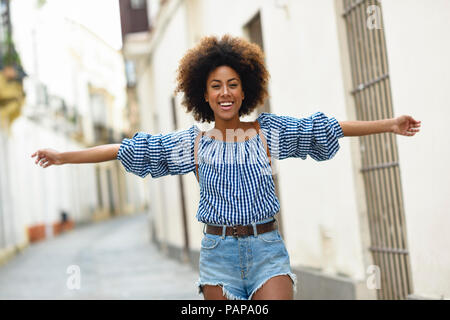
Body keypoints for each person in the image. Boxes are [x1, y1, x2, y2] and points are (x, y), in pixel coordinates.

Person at [31, 34, 421, 300]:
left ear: (245, 88)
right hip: (217, 253)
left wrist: (389, 124)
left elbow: (327, 128)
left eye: (232, 84)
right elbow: (128, 149)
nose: (225, 93)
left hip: (267, 248)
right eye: (216, 86)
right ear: (204, 93)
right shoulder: (193, 144)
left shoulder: (270, 132)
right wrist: (64, 156)